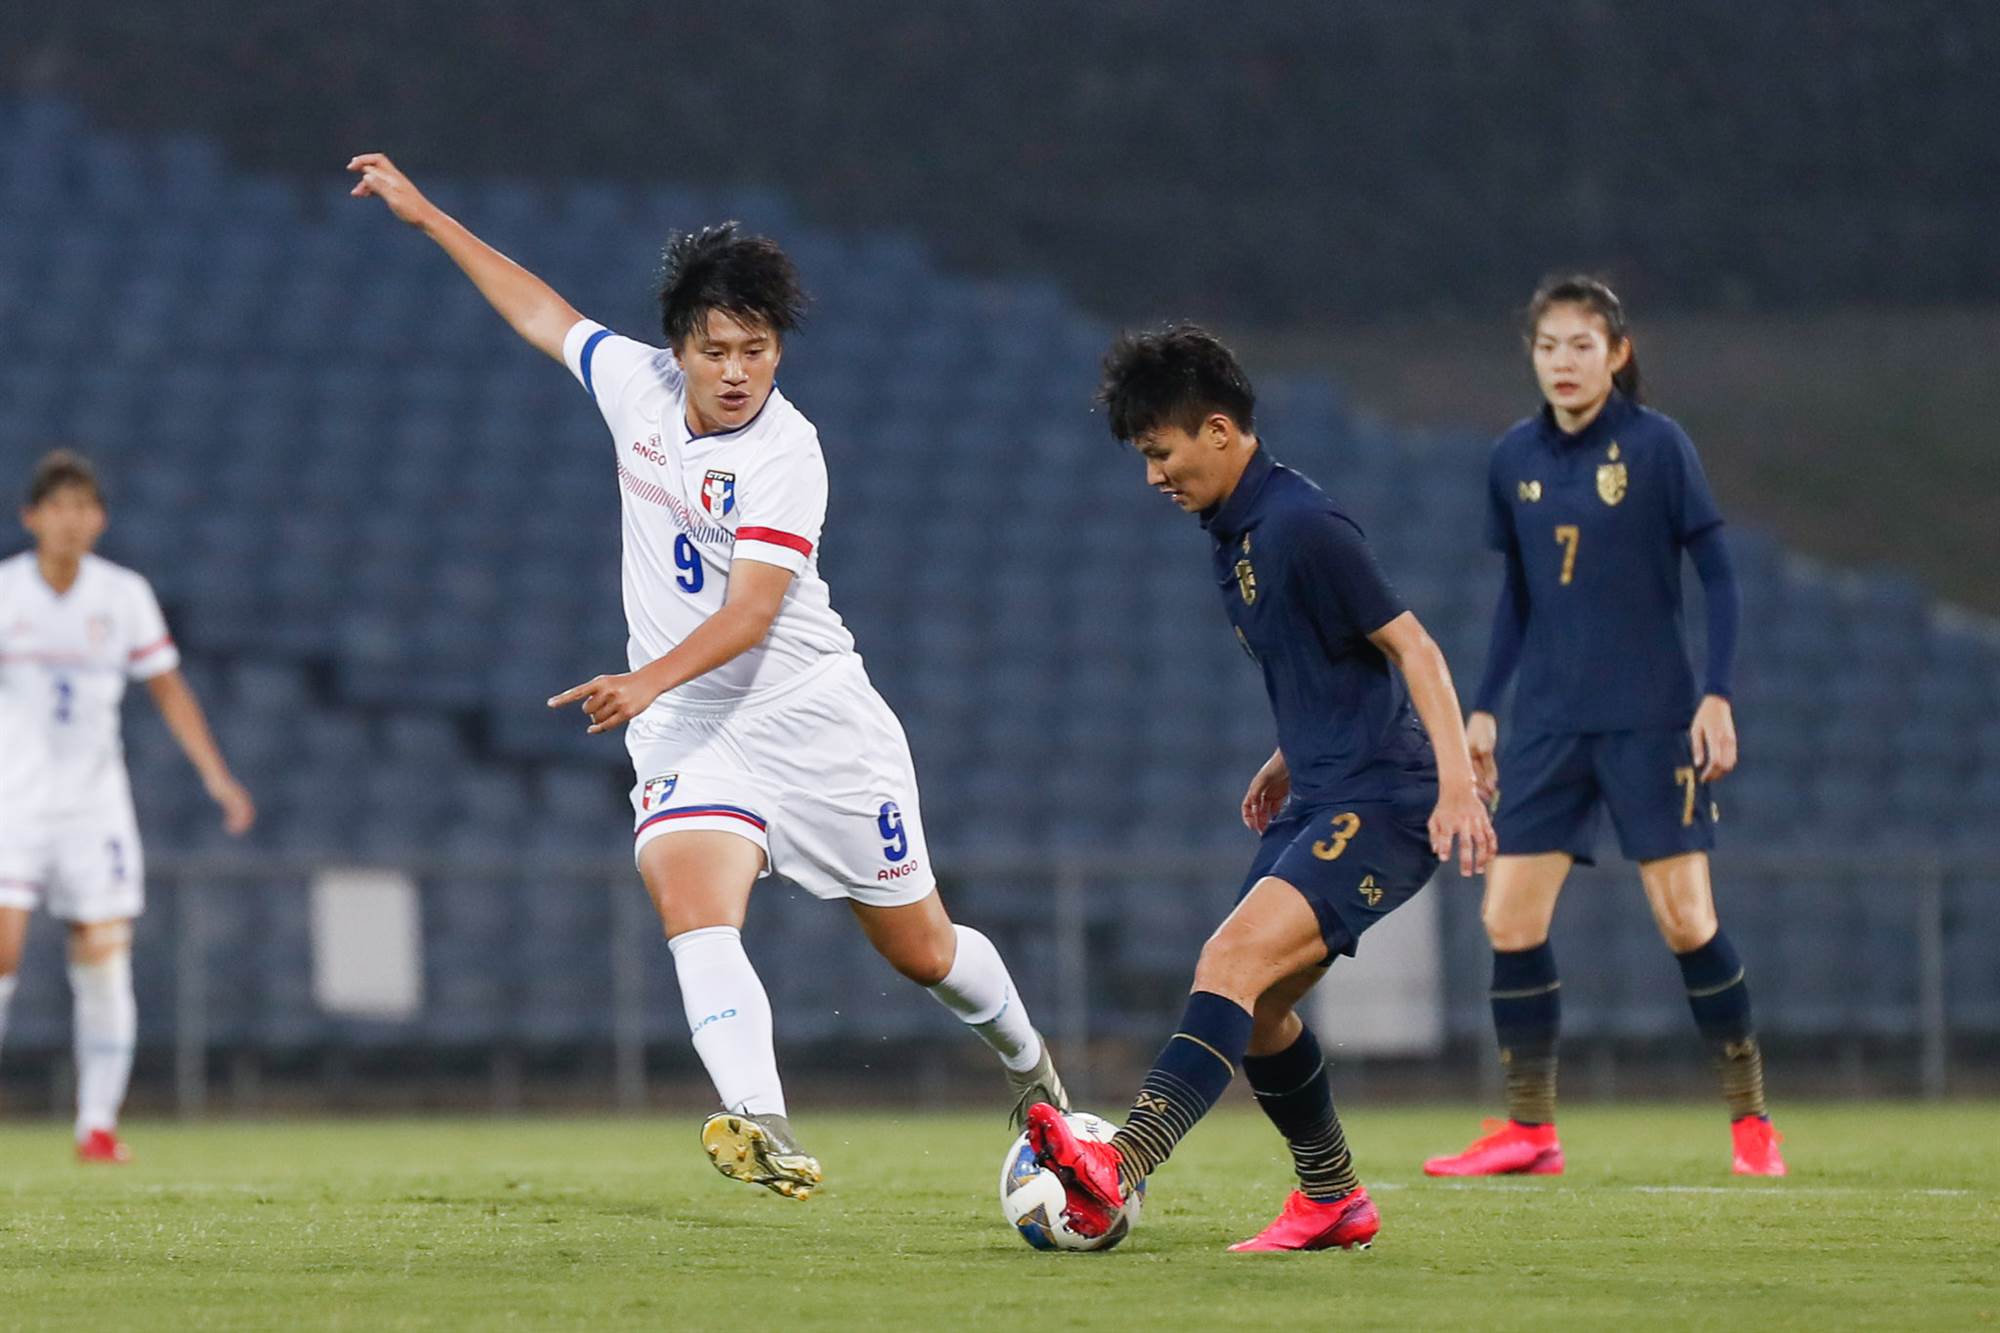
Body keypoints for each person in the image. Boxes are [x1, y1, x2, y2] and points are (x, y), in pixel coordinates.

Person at [348, 153, 1065, 1200]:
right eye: (715, 349)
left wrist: (643, 680)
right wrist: (427, 218)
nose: (736, 371)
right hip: (692, 726)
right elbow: (539, 311)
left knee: (922, 948)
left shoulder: (787, 453)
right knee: (690, 897)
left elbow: (753, 610)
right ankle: (761, 1118)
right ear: (676, 348)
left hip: (810, 716)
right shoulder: (633, 385)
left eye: (757, 350)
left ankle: (1029, 1067)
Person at [1026, 325, 1495, 1252]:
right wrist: (1290, 753)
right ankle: (1333, 1197)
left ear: (1218, 429)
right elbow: (1326, 660)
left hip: (1384, 801)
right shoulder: (1232, 532)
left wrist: (1456, 787)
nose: (1153, 476)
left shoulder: (1302, 526)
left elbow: (1415, 647)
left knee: (1229, 965)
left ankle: (1116, 1165)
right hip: (1323, 791)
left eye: (1161, 453)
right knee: (1265, 1005)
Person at [1422, 275, 1785, 1179]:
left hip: (1649, 719)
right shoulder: (1513, 458)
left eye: (1582, 345)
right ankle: (1531, 1130)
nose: (1564, 363)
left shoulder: (1659, 448)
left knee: (1686, 917)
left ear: (1617, 352)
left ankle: (1752, 1124)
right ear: (1532, 357)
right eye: (1549, 347)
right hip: (1547, 723)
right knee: (1507, 917)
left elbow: (1721, 576)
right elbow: (1518, 598)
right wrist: (1485, 707)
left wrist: (1718, 692)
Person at [0, 450, 256, 1162]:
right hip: (12, 798)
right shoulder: (6, 592)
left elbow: (168, 690)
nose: (71, 520)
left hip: (93, 805)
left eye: (83, 507)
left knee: (104, 955)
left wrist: (217, 776)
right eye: (57, 507)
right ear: (31, 518)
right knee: (4, 947)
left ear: (100, 520)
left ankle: (97, 1125)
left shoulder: (123, 595)